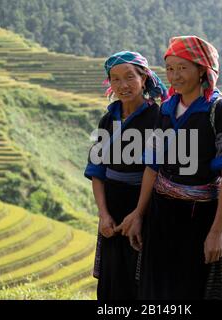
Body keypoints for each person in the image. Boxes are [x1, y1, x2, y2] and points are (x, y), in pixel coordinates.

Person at [116, 36, 222, 300]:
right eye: (170, 68)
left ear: (202, 70)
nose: (175, 75)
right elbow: (153, 166)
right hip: (162, 214)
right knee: (159, 290)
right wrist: (139, 213)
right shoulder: (167, 109)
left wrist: (216, 231)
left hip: (201, 218)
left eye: (183, 68)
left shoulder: (220, 110)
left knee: (194, 289)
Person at [84, 51, 167, 300]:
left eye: (130, 77)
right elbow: (97, 171)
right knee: (114, 278)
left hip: (146, 206)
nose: (123, 85)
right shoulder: (108, 120)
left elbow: (156, 170)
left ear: (144, 78)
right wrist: (103, 214)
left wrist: (139, 214)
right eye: (115, 79)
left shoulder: (159, 119)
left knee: (141, 278)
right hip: (113, 207)